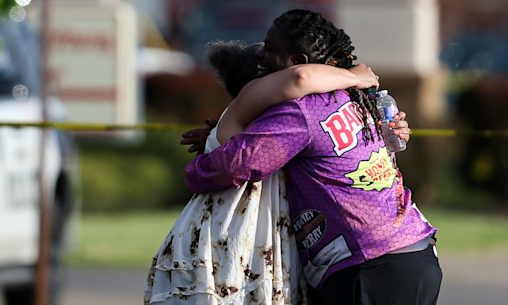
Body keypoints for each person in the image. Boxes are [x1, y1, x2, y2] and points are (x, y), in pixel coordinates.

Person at [185, 9, 442, 305]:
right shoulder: (355, 96)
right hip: (416, 254)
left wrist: (199, 166)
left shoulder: (301, 110)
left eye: (270, 49)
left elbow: (239, 164)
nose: (260, 57)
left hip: (367, 266)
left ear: (297, 62)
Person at [144, 38, 391, 305]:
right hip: (223, 247)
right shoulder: (240, 116)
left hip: (250, 250)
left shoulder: (278, 130)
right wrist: (353, 75)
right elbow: (302, 76)